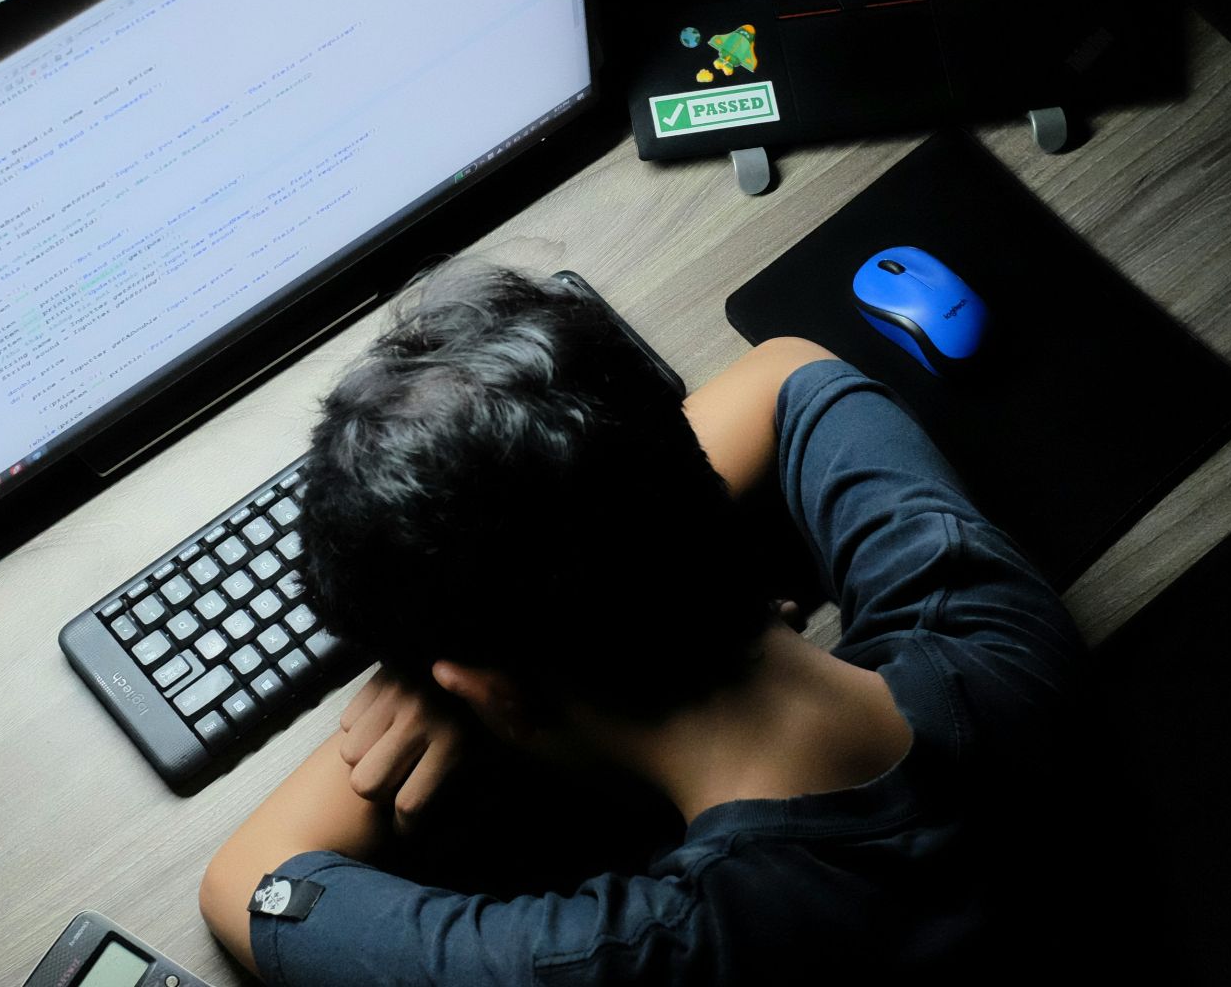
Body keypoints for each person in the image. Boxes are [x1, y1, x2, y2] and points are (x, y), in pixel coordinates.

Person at [198, 265, 1087, 983]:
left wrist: (456, 683)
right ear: (696, 477)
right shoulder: (1002, 639)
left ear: (495, 692)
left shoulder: (621, 960)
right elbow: (788, 372)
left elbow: (249, 882)